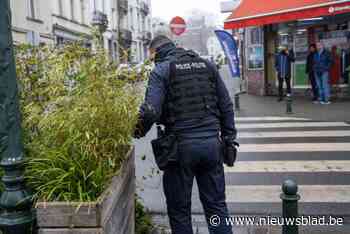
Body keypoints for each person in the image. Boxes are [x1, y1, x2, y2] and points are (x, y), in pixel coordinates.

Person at [134, 35, 237, 234]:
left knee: (180, 211)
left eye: (151, 56)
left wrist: (137, 130)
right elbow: (226, 105)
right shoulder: (207, 65)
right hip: (211, 146)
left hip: (180, 149)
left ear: (155, 52)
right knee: (216, 207)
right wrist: (229, 139)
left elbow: (150, 111)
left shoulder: (161, 70)